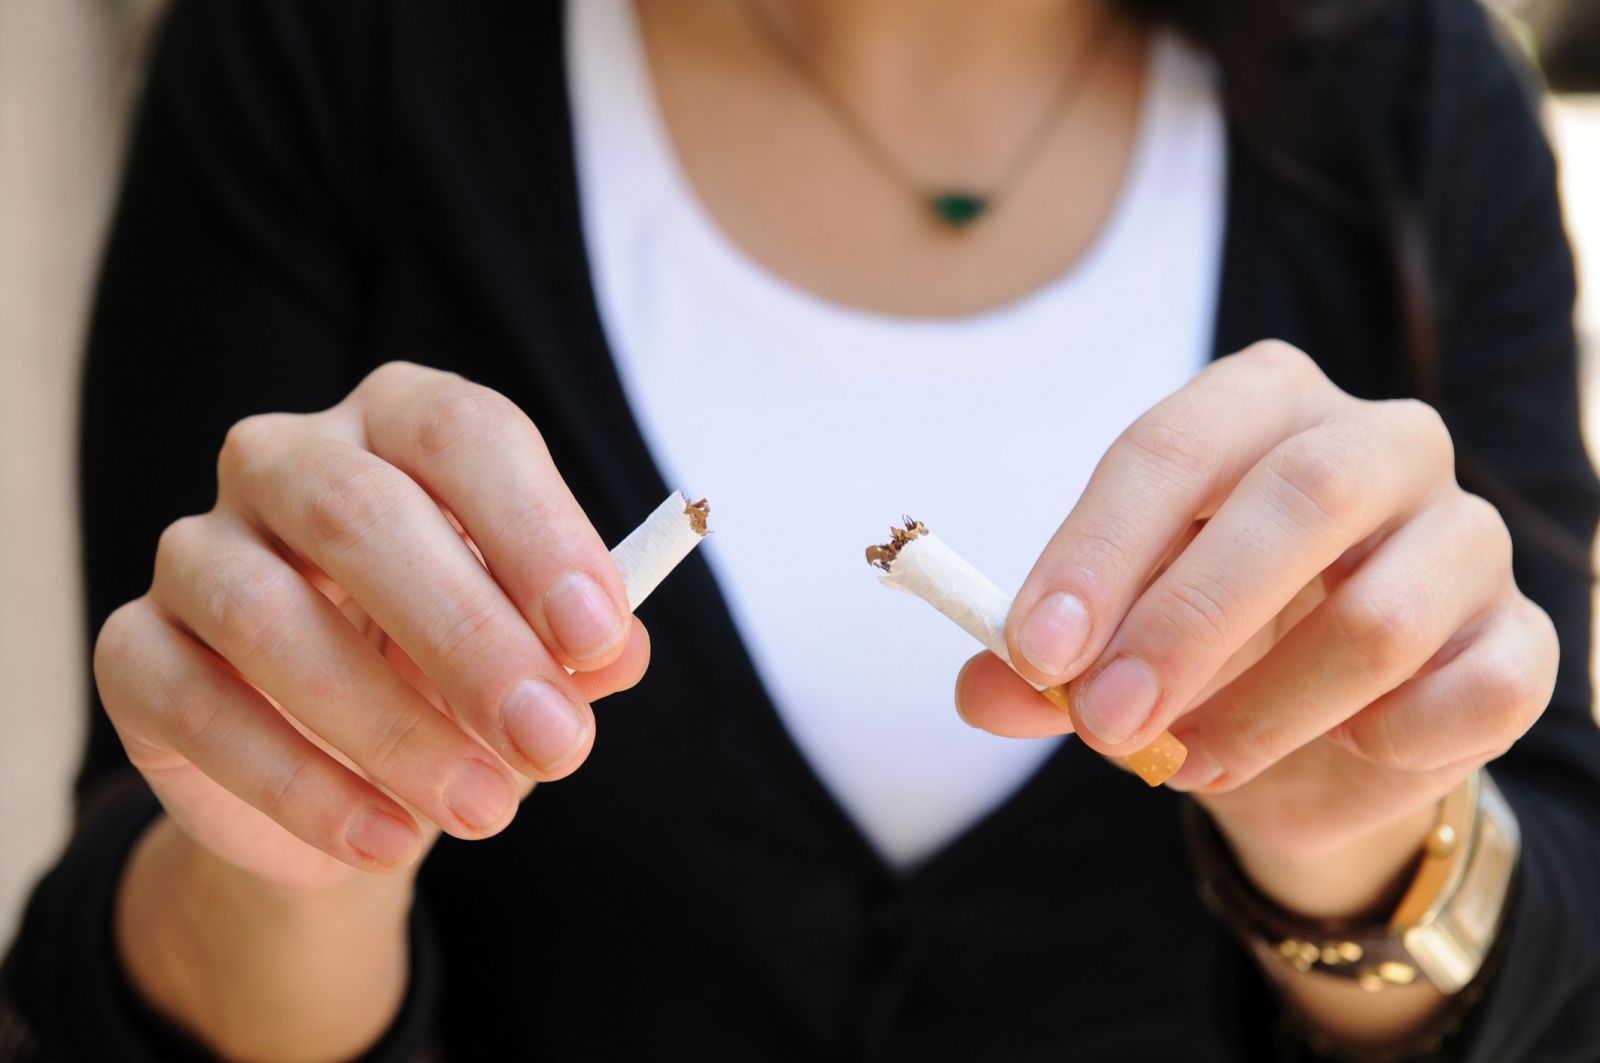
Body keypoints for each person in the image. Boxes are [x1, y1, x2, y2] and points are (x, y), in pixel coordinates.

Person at [4, 0, 1598, 1059]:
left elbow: (1564, 961)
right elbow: (99, 970)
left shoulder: (1420, 102)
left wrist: (1366, 856)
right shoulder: (324, 55)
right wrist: (298, 874)